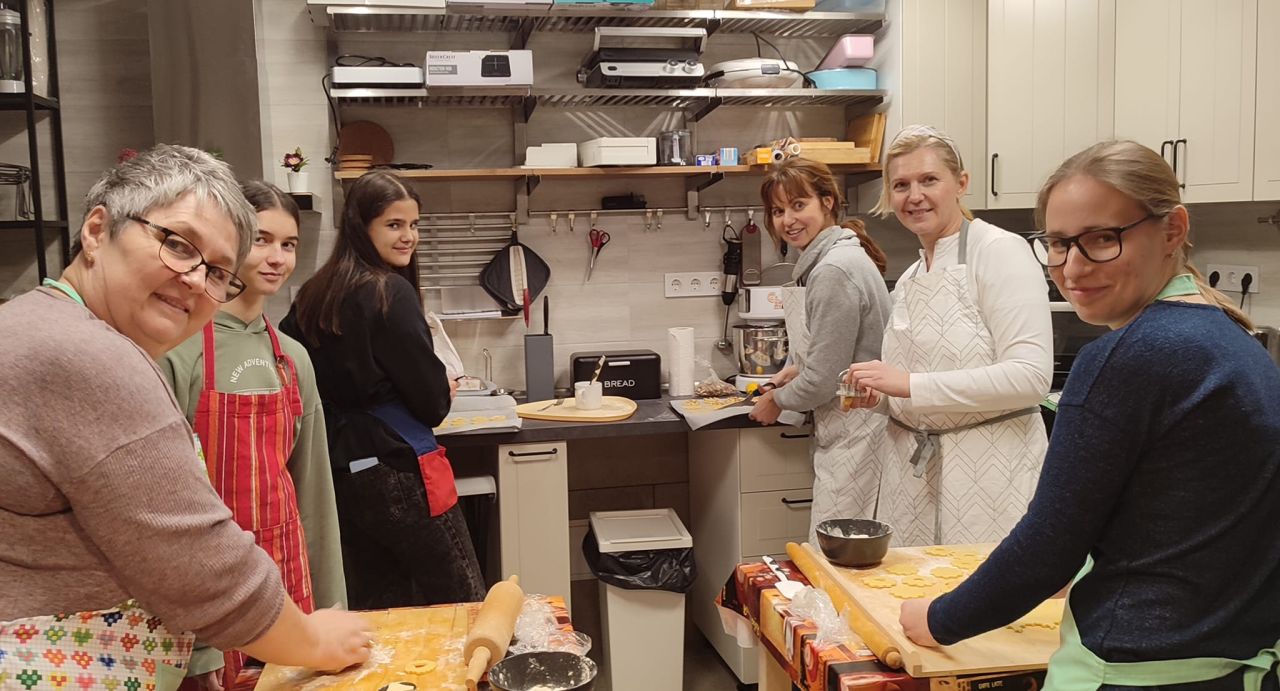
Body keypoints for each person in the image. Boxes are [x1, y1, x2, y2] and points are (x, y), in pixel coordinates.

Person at [900, 140, 1280, 690]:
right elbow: (1182, 520)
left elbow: (1046, 550)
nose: (1073, 267)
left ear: (1172, 230)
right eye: (1058, 243)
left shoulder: (1127, 357)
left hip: (1136, 670)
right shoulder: (1234, 339)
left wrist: (937, 619)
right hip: (1235, 666)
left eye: (1103, 239)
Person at [0, 145, 370, 691]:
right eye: (177, 244)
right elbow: (197, 564)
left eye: (218, 271)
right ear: (97, 231)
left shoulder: (39, 323)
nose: (197, 280)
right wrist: (314, 642)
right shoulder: (85, 354)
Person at [160, 181, 346, 689]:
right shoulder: (179, 351)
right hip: (214, 585)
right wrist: (197, 649)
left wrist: (332, 606)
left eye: (289, 245)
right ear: (230, 241)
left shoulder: (293, 358)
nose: (277, 258)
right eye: (261, 240)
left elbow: (314, 491)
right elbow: (167, 510)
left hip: (289, 578)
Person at [280, 171, 484, 610]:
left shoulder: (313, 295)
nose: (408, 236)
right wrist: (444, 388)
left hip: (342, 473)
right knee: (461, 603)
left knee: (379, 611)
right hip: (399, 469)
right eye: (394, 225)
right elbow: (431, 404)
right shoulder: (390, 291)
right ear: (361, 226)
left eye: (413, 225)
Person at [843, 124, 1053, 546]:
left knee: (985, 588)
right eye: (901, 185)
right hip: (914, 479)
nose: (914, 196)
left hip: (990, 478)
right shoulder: (910, 277)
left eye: (929, 180)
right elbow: (919, 381)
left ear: (961, 183)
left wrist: (909, 385)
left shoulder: (999, 251)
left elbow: (1031, 377)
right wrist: (881, 396)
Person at [748, 158, 893, 543]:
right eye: (778, 211)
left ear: (827, 202)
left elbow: (824, 381)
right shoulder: (840, 257)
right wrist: (798, 368)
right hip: (855, 424)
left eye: (799, 205)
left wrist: (776, 400)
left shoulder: (833, 271)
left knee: (839, 550)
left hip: (856, 428)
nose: (788, 220)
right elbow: (849, 348)